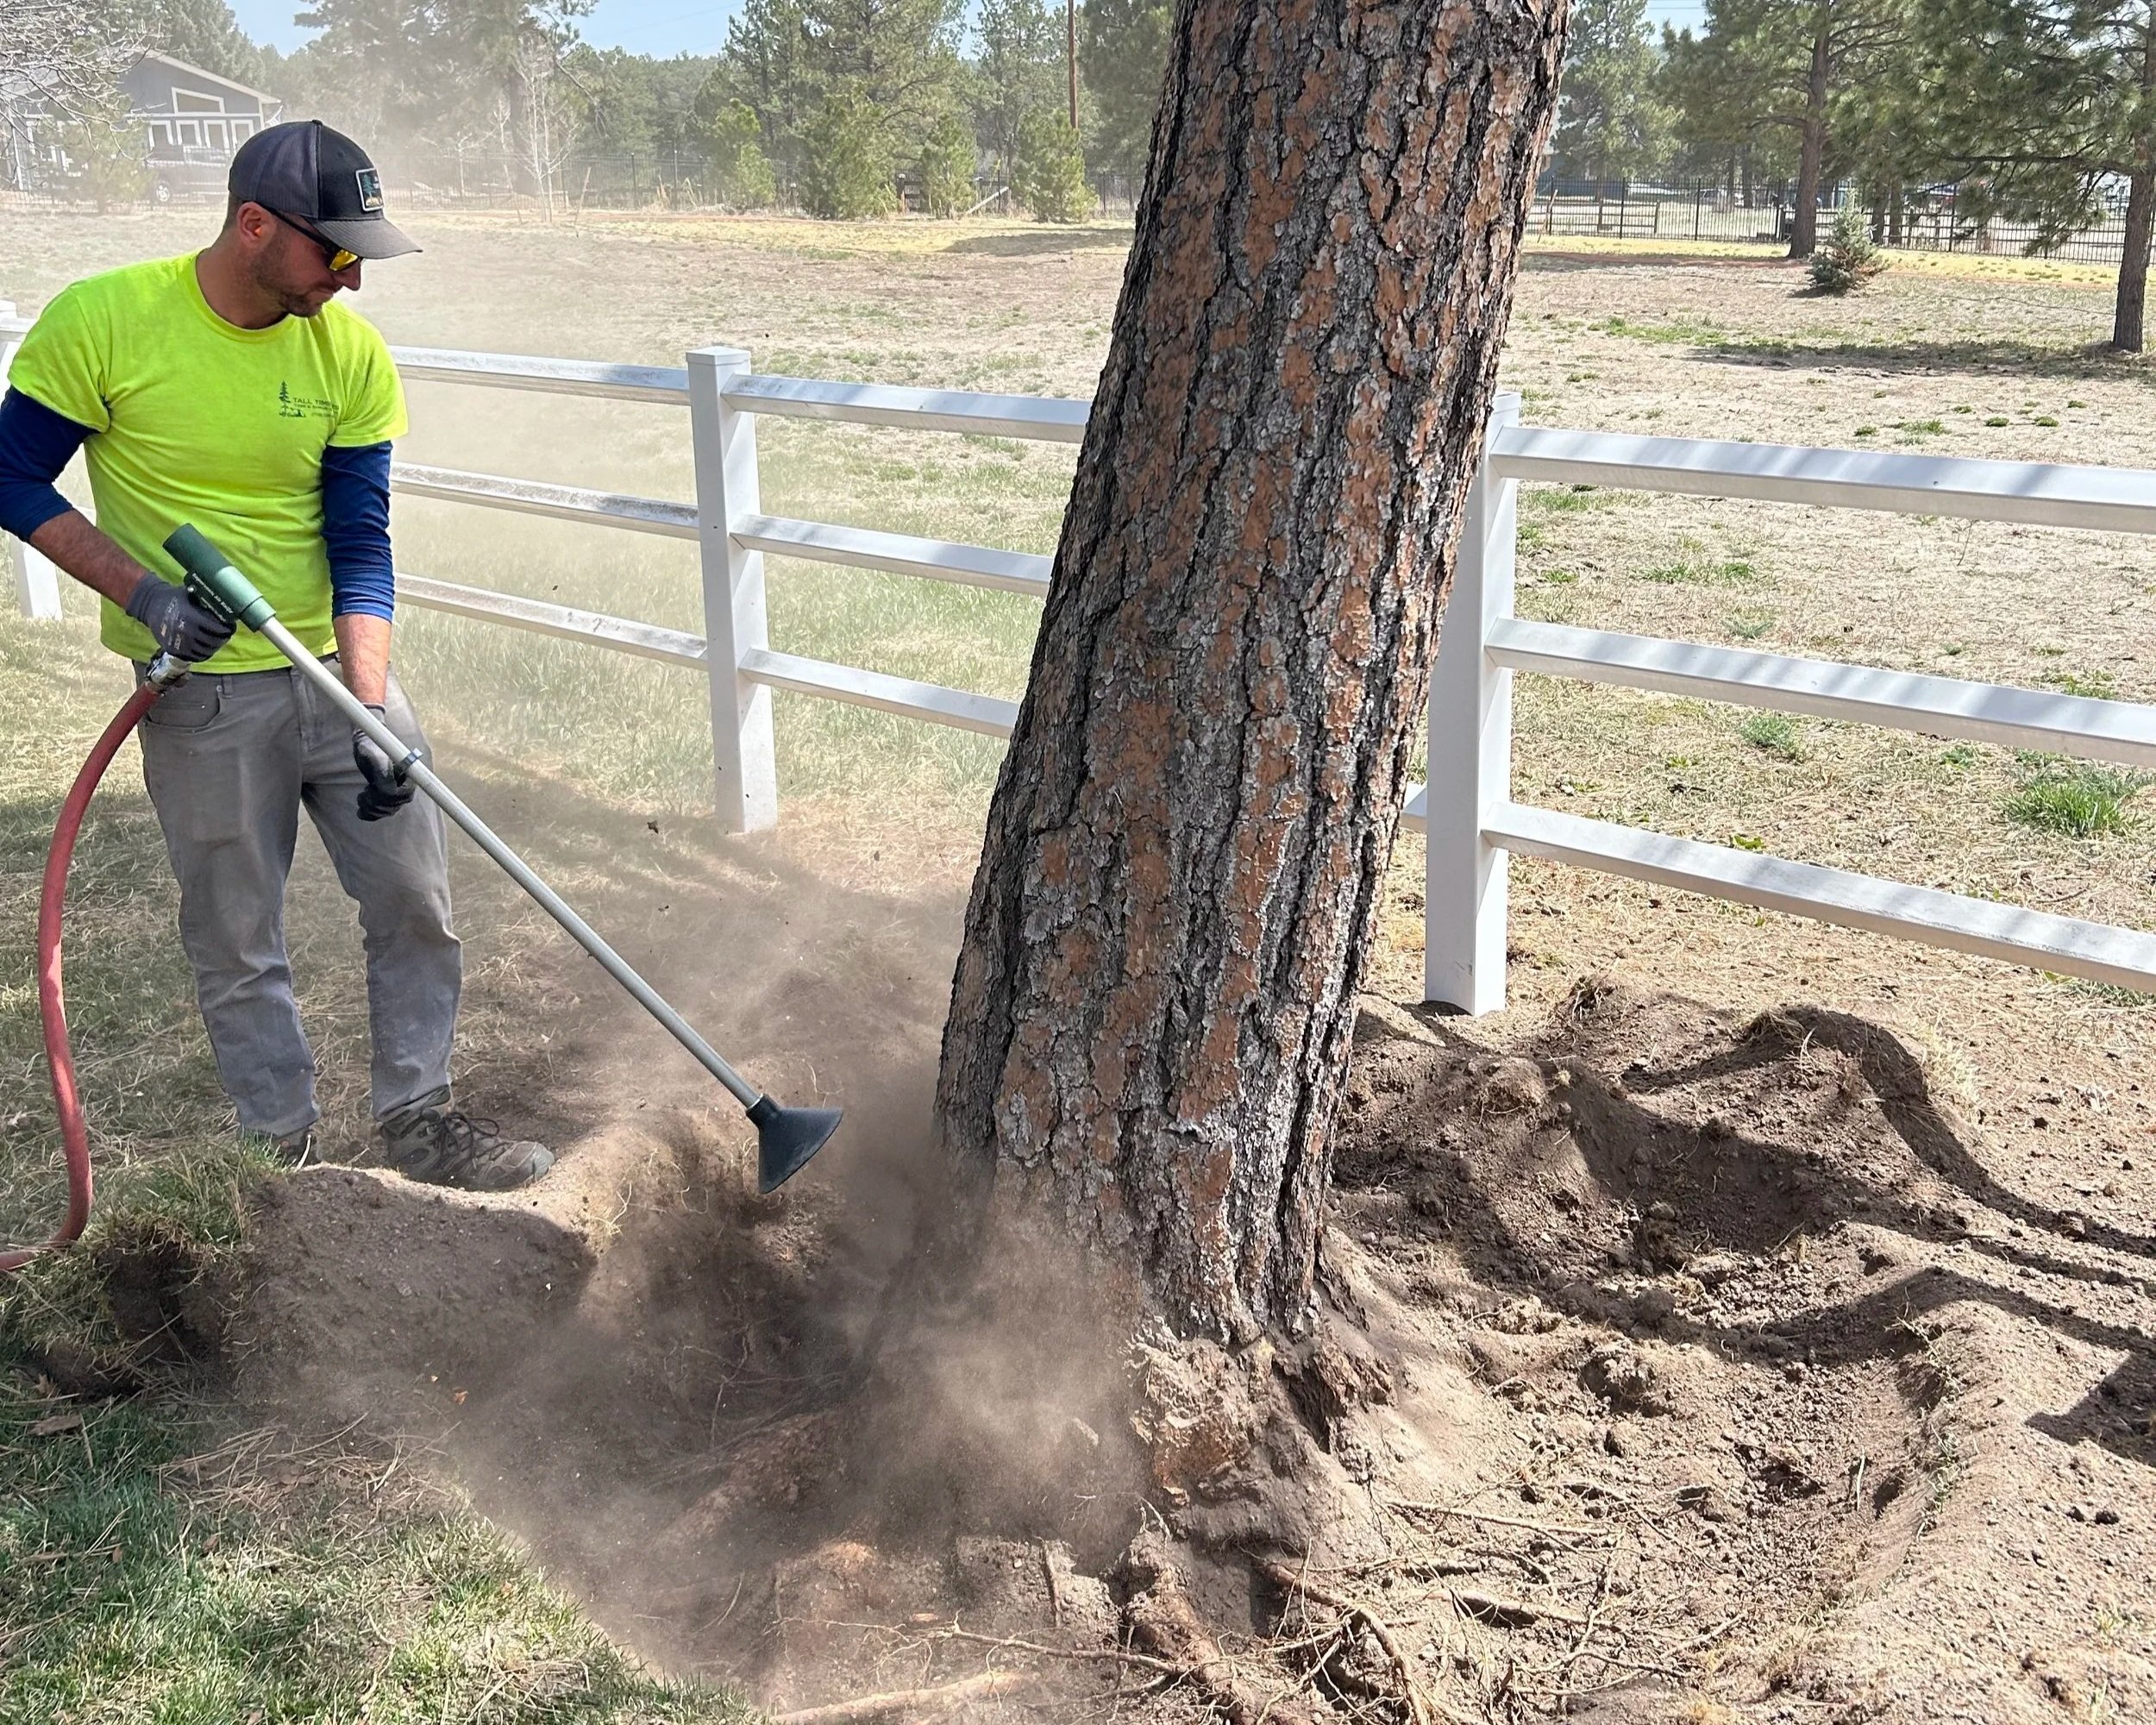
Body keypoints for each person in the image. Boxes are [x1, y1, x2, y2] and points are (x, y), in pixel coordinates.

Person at [0, 120, 551, 1191]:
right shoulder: (105, 322)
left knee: (415, 900)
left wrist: (375, 704)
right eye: (332, 252)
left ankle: (421, 1115)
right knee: (236, 927)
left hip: (336, 676)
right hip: (200, 693)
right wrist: (148, 594)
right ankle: (284, 1152)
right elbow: (12, 478)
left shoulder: (347, 352)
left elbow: (360, 537)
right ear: (253, 226)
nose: (351, 280)